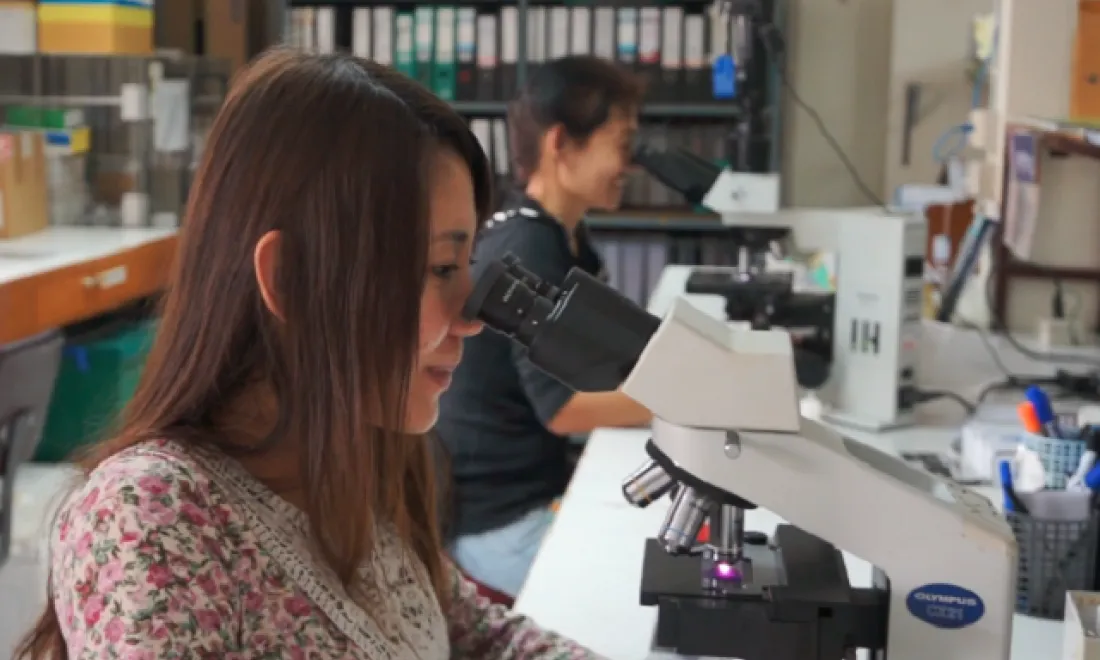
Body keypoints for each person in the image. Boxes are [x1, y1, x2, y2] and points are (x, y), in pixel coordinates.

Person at [15, 50, 597, 660]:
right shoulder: (149, 518)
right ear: (290, 278)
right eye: (441, 268)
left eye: (466, 265)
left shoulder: (357, 457)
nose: (472, 318)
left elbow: (482, 637)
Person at [438, 55, 654, 598]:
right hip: (498, 521)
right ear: (561, 143)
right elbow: (563, 408)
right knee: (637, 599)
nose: (629, 166)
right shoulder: (527, 247)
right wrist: (692, 404)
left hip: (531, 491)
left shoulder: (557, 236)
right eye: (622, 144)